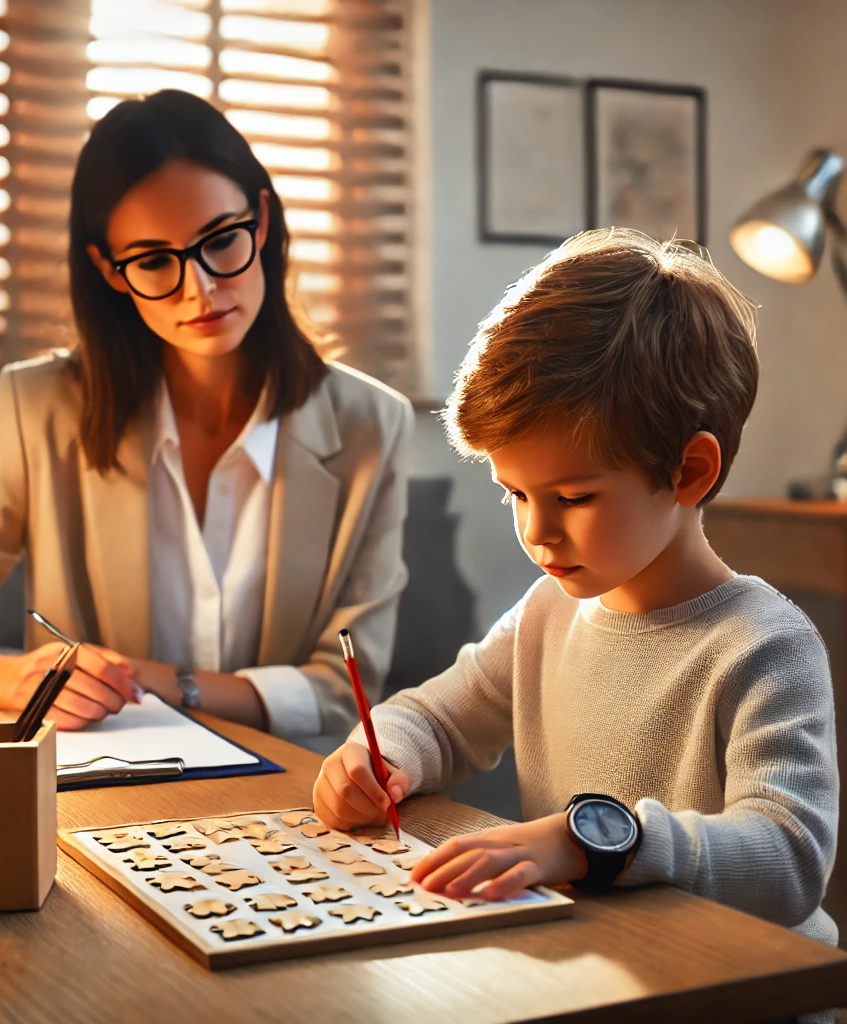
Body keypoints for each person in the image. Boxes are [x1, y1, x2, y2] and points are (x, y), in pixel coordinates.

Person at [313, 229, 839, 954]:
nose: (538, 533)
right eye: (516, 495)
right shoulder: (545, 616)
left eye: (573, 496)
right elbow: (437, 720)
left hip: (750, 991)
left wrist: (594, 842)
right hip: (603, 969)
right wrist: (379, 757)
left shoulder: (765, 646)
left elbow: (789, 860)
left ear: (688, 472)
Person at [0, 90, 413, 749]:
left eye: (221, 241)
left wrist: (164, 681)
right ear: (110, 271)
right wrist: (12, 680)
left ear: (261, 222)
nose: (199, 288)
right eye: (153, 261)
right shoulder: (39, 407)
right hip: (101, 784)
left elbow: (346, 687)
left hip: (291, 786)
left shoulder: (373, 425)